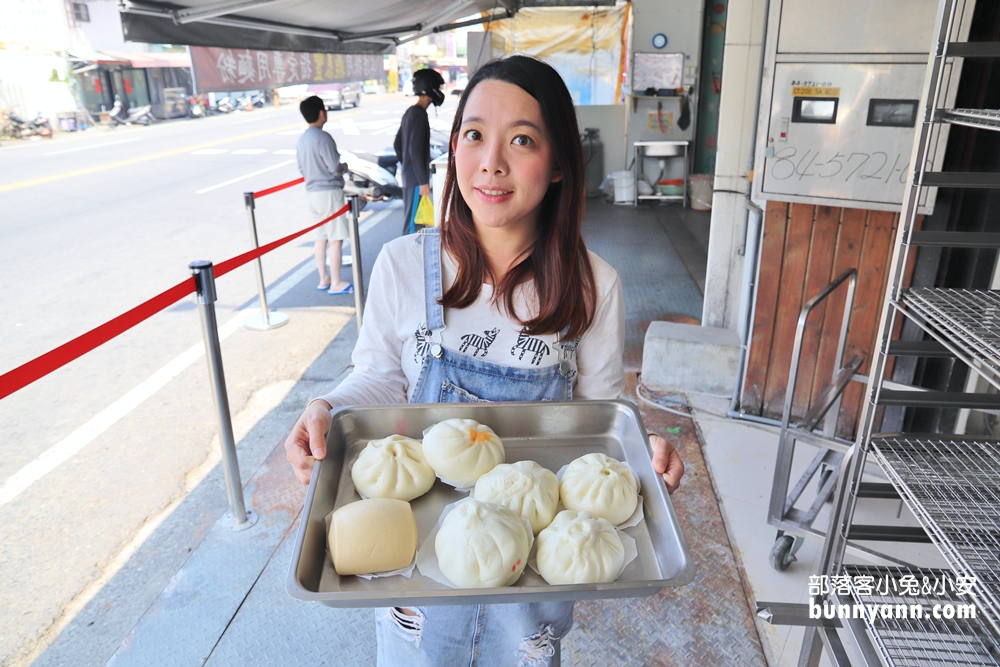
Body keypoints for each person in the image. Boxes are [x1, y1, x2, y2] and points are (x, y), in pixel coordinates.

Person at [284, 56, 684, 666]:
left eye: (521, 139)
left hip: (533, 587)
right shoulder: (402, 264)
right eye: (474, 134)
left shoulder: (593, 285)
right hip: (419, 570)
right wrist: (324, 408)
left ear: (557, 167)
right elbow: (379, 378)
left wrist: (644, 450)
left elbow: (605, 416)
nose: (491, 162)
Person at [296, 95, 353, 295]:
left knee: (321, 237)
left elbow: (300, 168)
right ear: (321, 113)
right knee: (336, 238)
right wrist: (344, 166)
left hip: (311, 193)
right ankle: (337, 281)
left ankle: (324, 278)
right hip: (329, 192)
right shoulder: (323, 137)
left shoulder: (302, 138)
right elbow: (334, 167)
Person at [394, 68, 445, 235]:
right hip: (416, 180)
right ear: (429, 87)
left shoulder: (410, 112)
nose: (440, 91)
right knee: (412, 226)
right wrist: (423, 181)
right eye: (438, 87)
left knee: (413, 222)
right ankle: (404, 260)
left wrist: (407, 166)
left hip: (411, 176)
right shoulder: (419, 114)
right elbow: (415, 150)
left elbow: (398, 145)